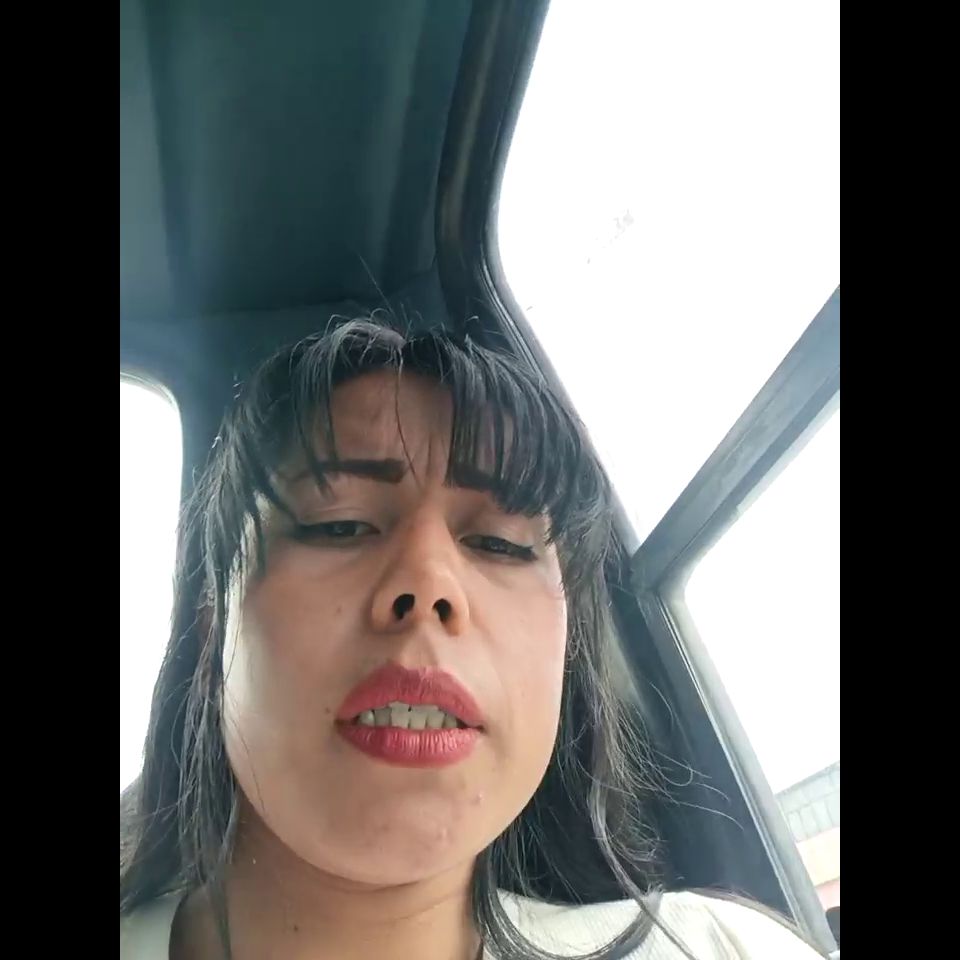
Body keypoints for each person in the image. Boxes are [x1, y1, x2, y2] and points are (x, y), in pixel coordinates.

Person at [120, 318, 826, 959]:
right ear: (214, 625)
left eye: (501, 544)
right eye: (340, 525)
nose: (429, 583)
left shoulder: (721, 950)